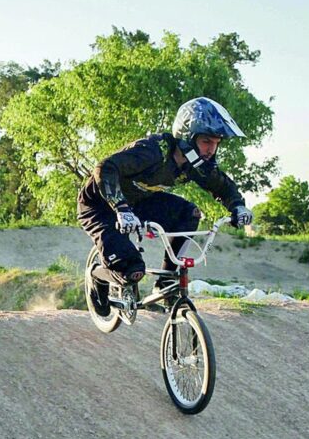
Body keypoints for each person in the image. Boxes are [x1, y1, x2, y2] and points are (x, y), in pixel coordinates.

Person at [77, 97, 253, 316]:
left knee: (189, 213)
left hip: (139, 202)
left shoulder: (194, 163)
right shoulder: (154, 151)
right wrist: (120, 207)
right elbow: (105, 167)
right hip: (100, 206)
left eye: (216, 143)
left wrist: (238, 207)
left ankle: (166, 282)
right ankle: (96, 275)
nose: (212, 149)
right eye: (207, 141)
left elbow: (221, 185)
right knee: (132, 271)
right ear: (189, 137)